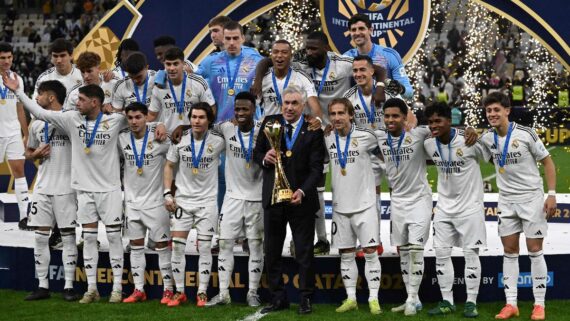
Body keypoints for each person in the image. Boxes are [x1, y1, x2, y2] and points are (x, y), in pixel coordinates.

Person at [3, 76, 165, 304]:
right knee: (88, 240)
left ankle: (117, 288)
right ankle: (91, 289)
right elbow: (40, 114)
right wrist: (18, 92)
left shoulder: (115, 121)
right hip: (84, 191)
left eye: (81, 99)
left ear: (95, 103)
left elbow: (140, 120)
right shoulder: (70, 119)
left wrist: (160, 125)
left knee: (114, 238)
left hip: (109, 190)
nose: (76, 102)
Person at [479, 92, 557, 321]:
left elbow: (548, 162)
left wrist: (551, 195)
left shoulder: (526, 134)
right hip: (506, 201)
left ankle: (539, 305)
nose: (492, 114)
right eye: (488, 111)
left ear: (507, 111)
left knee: (534, 250)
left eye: (496, 110)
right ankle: (511, 303)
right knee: (510, 252)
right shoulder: (487, 138)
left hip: (532, 198)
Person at [253, 85, 326, 315]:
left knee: (303, 252)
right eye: (286, 103)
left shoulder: (313, 129)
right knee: (271, 252)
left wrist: (302, 191)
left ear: (303, 106)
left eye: (295, 103)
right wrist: (264, 158)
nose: (289, 107)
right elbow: (256, 153)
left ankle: (305, 298)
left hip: (301, 200)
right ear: (281, 103)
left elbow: (317, 168)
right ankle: (278, 298)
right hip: (274, 198)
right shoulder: (270, 123)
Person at [423, 102, 489, 317]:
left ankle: (471, 301)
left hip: (470, 208)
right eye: (431, 121)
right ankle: (446, 301)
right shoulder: (429, 144)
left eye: (438, 121)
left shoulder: (469, 141)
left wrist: (471, 129)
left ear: (449, 121)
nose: (433, 125)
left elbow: (490, 155)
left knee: (471, 254)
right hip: (443, 208)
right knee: (441, 254)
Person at [163, 102, 225, 307]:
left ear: (209, 121)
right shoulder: (179, 140)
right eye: (194, 117)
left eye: (201, 117)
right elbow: (169, 166)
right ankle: (179, 292)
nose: (197, 121)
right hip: (183, 202)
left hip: (207, 203)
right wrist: (167, 194)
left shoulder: (218, 140)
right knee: (177, 249)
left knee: (205, 248)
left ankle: (202, 292)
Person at [206, 92, 263, 308]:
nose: (239, 113)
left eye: (244, 109)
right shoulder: (226, 128)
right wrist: (180, 129)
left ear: (253, 110)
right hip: (231, 199)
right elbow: (203, 127)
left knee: (256, 247)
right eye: (237, 109)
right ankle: (223, 294)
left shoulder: (263, 131)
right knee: (224, 244)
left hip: (256, 199)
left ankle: (253, 293)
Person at [325, 98, 382, 315]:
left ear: (350, 115)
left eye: (341, 113)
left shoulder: (366, 136)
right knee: (346, 254)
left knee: (370, 253)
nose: (337, 118)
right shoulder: (327, 136)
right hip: (340, 206)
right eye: (333, 114)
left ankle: (374, 298)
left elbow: (386, 152)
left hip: (365, 205)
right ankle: (350, 298)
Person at [23, 80, 79, 302]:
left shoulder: (70, 121)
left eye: (40, 94)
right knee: (39, 237)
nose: (37, 98)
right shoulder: (36, 124)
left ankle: (68, 287)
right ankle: (42, 286)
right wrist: (35, 153)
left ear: (51, 97)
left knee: (68, 238)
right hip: (43, 187)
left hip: (67, 188)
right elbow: (27, 152)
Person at [377, 98, 431, 316]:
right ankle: (414, 298)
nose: (391, 120)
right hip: (397, 201)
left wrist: (470, 132)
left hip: (419, 199)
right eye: (387, 116)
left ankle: (410, 299)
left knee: (416, 250)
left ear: (404, 117)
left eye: (395, 116)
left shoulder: (418, 134)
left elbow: (444, 128)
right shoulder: (379, 137)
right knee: (404, 252)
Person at [118, 102, 173, 304]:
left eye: (138, 117)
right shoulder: (122, 138)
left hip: (156, 203)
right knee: (135, 246)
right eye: (130, 118)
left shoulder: (159, 138)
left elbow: (176, 151)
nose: (134, 121)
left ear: (145, 118)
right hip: (131, 203)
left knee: (162, 247)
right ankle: (138, 289)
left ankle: (168, 289)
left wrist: (163, 125)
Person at [195, 20, 263, 122]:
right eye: (228, 38)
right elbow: (190, 80)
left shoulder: (255, 60)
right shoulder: (210, 62)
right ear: (223, 39)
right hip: (220, 125)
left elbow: (274, 68)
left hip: (250, 124)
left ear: (243, 38)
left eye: (235, 38)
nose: (231, 43)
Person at [343, 14, 413, 99]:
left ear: (370, 30)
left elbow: (409, 93)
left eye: (361, 28)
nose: (357, 33)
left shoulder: (390, 55)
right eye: (353, 30)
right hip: (358, 110)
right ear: (350, 33)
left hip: (385, 109)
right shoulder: (345, 58)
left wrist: (401, 89)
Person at [148, 47, 216, 134]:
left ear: (183, 64)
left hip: (194, 136)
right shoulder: (159, 86)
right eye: (168, 64)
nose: (172, 68)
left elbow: (211, 109)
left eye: (175, 64)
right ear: (164, 64)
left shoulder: (198, 82)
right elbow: (152, 114)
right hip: (169, 139)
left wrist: (195, 129)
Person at [0, 42, 30, 231]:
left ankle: (24, 217)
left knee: (19, 171)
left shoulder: (17, 78)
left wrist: (26, 134)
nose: (7, 61)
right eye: (3, 58)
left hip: (12, 131)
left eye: (9, 57)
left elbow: (20, 108)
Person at [258, 39, 321, 119]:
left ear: (291, 56)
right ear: (271, 55)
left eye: (284, 52)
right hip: (269, 128)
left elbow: (314, 105)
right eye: (276, 52)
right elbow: (252, 104)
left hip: (294, 128)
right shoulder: (263, 78)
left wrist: (317, 120)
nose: (279, 55)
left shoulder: (302, 78)